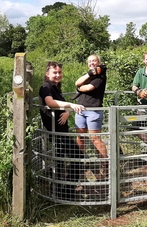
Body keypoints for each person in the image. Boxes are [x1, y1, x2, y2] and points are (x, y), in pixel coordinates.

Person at [39, 61, 86, 200]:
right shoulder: (45, 87)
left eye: (60, 72)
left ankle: (62, 191)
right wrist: (71, 105)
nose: (58, 75)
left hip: (61, 131)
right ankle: (66, 191)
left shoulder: (55, 88)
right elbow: (50, 102)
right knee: (77, 156)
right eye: (55, 72)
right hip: (56, 132)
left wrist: (67, 111)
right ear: (47, 73)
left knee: (60, 161)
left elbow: (59, 104)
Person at [74, 54, 108, 178]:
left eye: (94, 61)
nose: (92, 63)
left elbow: (88, 88)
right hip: (80, 110)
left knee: (95, 139)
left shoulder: (101, 77)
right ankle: (80, 164)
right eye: (89, 61)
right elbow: (76, 82)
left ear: (99, 62)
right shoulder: (89, 75)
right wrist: (88, 74)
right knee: (80, 138)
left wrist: (80, 88)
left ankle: (105, 164)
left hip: (93, 110)